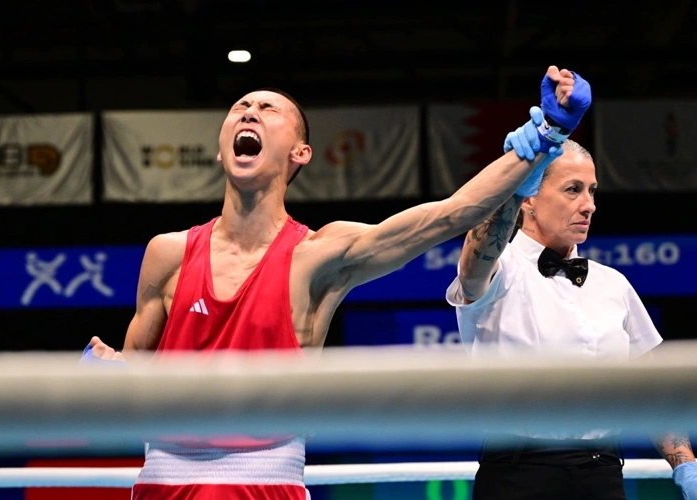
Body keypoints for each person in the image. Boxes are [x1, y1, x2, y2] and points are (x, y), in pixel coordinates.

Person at [84, 66, 583, 500]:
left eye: (267, 109)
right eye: (240, 106)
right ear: (220, 150)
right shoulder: (167, 254)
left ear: (300, 153)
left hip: (266, 484)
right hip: (164, 483)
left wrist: (544, 138)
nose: (250, 112)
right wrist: (110, 378)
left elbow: (445, 217)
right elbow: (134, 388)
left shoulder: (318, 256)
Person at [445, 68, 697, 500]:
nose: (589, 205)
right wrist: (510, 184)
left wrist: (686, 464)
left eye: (593, 191)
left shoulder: (613, 284)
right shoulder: (499, 268)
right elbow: (472, 263)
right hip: (516, 474)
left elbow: (648, 387)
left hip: (601, 472)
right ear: (529, 198)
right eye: (573, 190)